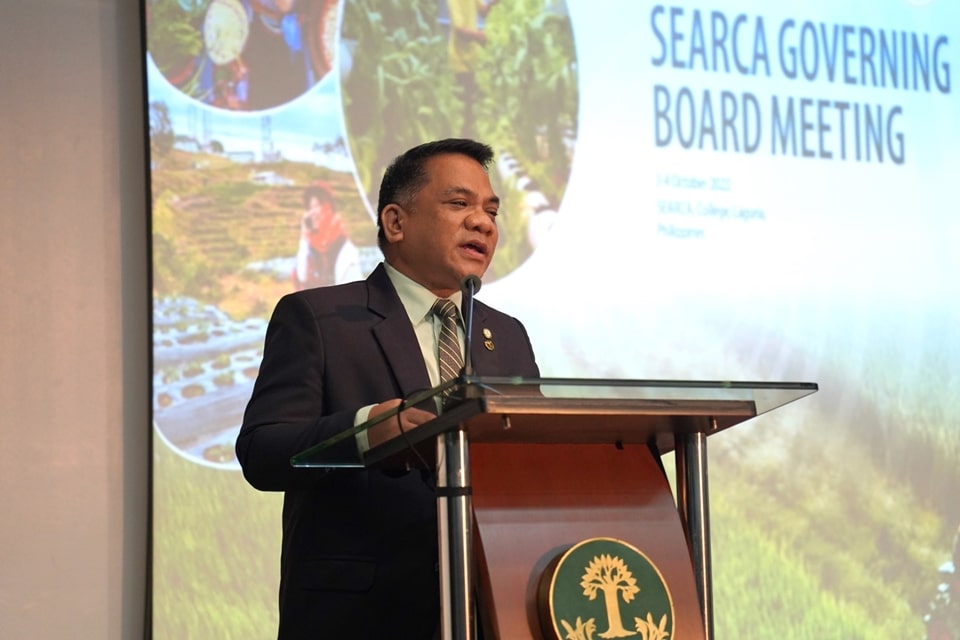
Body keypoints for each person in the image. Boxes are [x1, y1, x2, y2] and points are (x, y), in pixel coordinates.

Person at [236, 138, 540, 639]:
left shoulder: (506, 336)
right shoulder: (319, 319)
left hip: (491, 611)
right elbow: (263, 452)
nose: (483, 223)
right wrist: (369, 431)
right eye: (459, 204)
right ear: (396, 222)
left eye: (491, 210)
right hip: (363, 617)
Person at [292, 180, 362, 290]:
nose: (312, 213)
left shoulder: (345, 248)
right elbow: (302, 277)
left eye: (316, 206)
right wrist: (304, 237)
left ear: (328, 207)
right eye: (310, 208)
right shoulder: (309, 245)